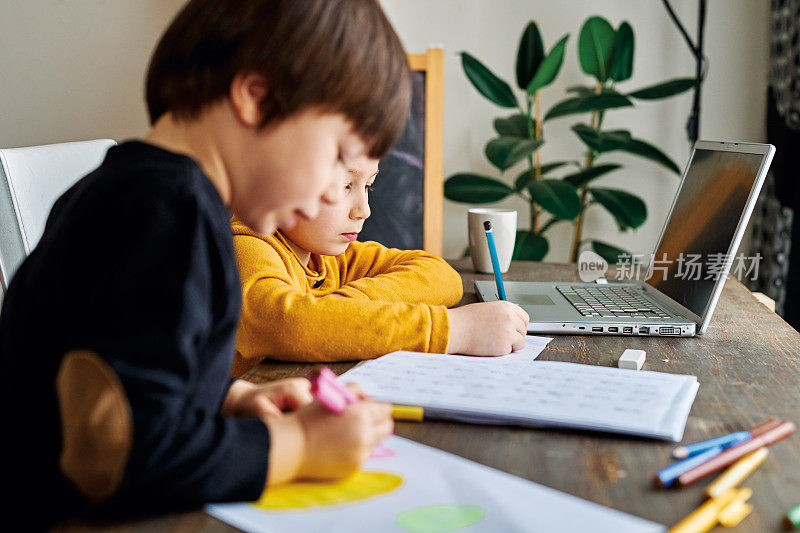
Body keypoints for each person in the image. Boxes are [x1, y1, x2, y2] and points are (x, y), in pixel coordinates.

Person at [0, 0, 409, 527]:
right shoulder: (167, 215)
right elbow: (119, 451)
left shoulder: (136, 191)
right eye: (336, 156)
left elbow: (122, 368)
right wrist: (298, 443)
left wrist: (227, 400)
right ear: (257, 99)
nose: (335, 188)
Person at [231, 155, 531, 376]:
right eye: (345, 186)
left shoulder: (328, 255)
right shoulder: (244, 247)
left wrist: (344, 306)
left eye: (369, 187)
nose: (364, 209)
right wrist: (458, 330)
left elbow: (440, 275)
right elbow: (290, 324)